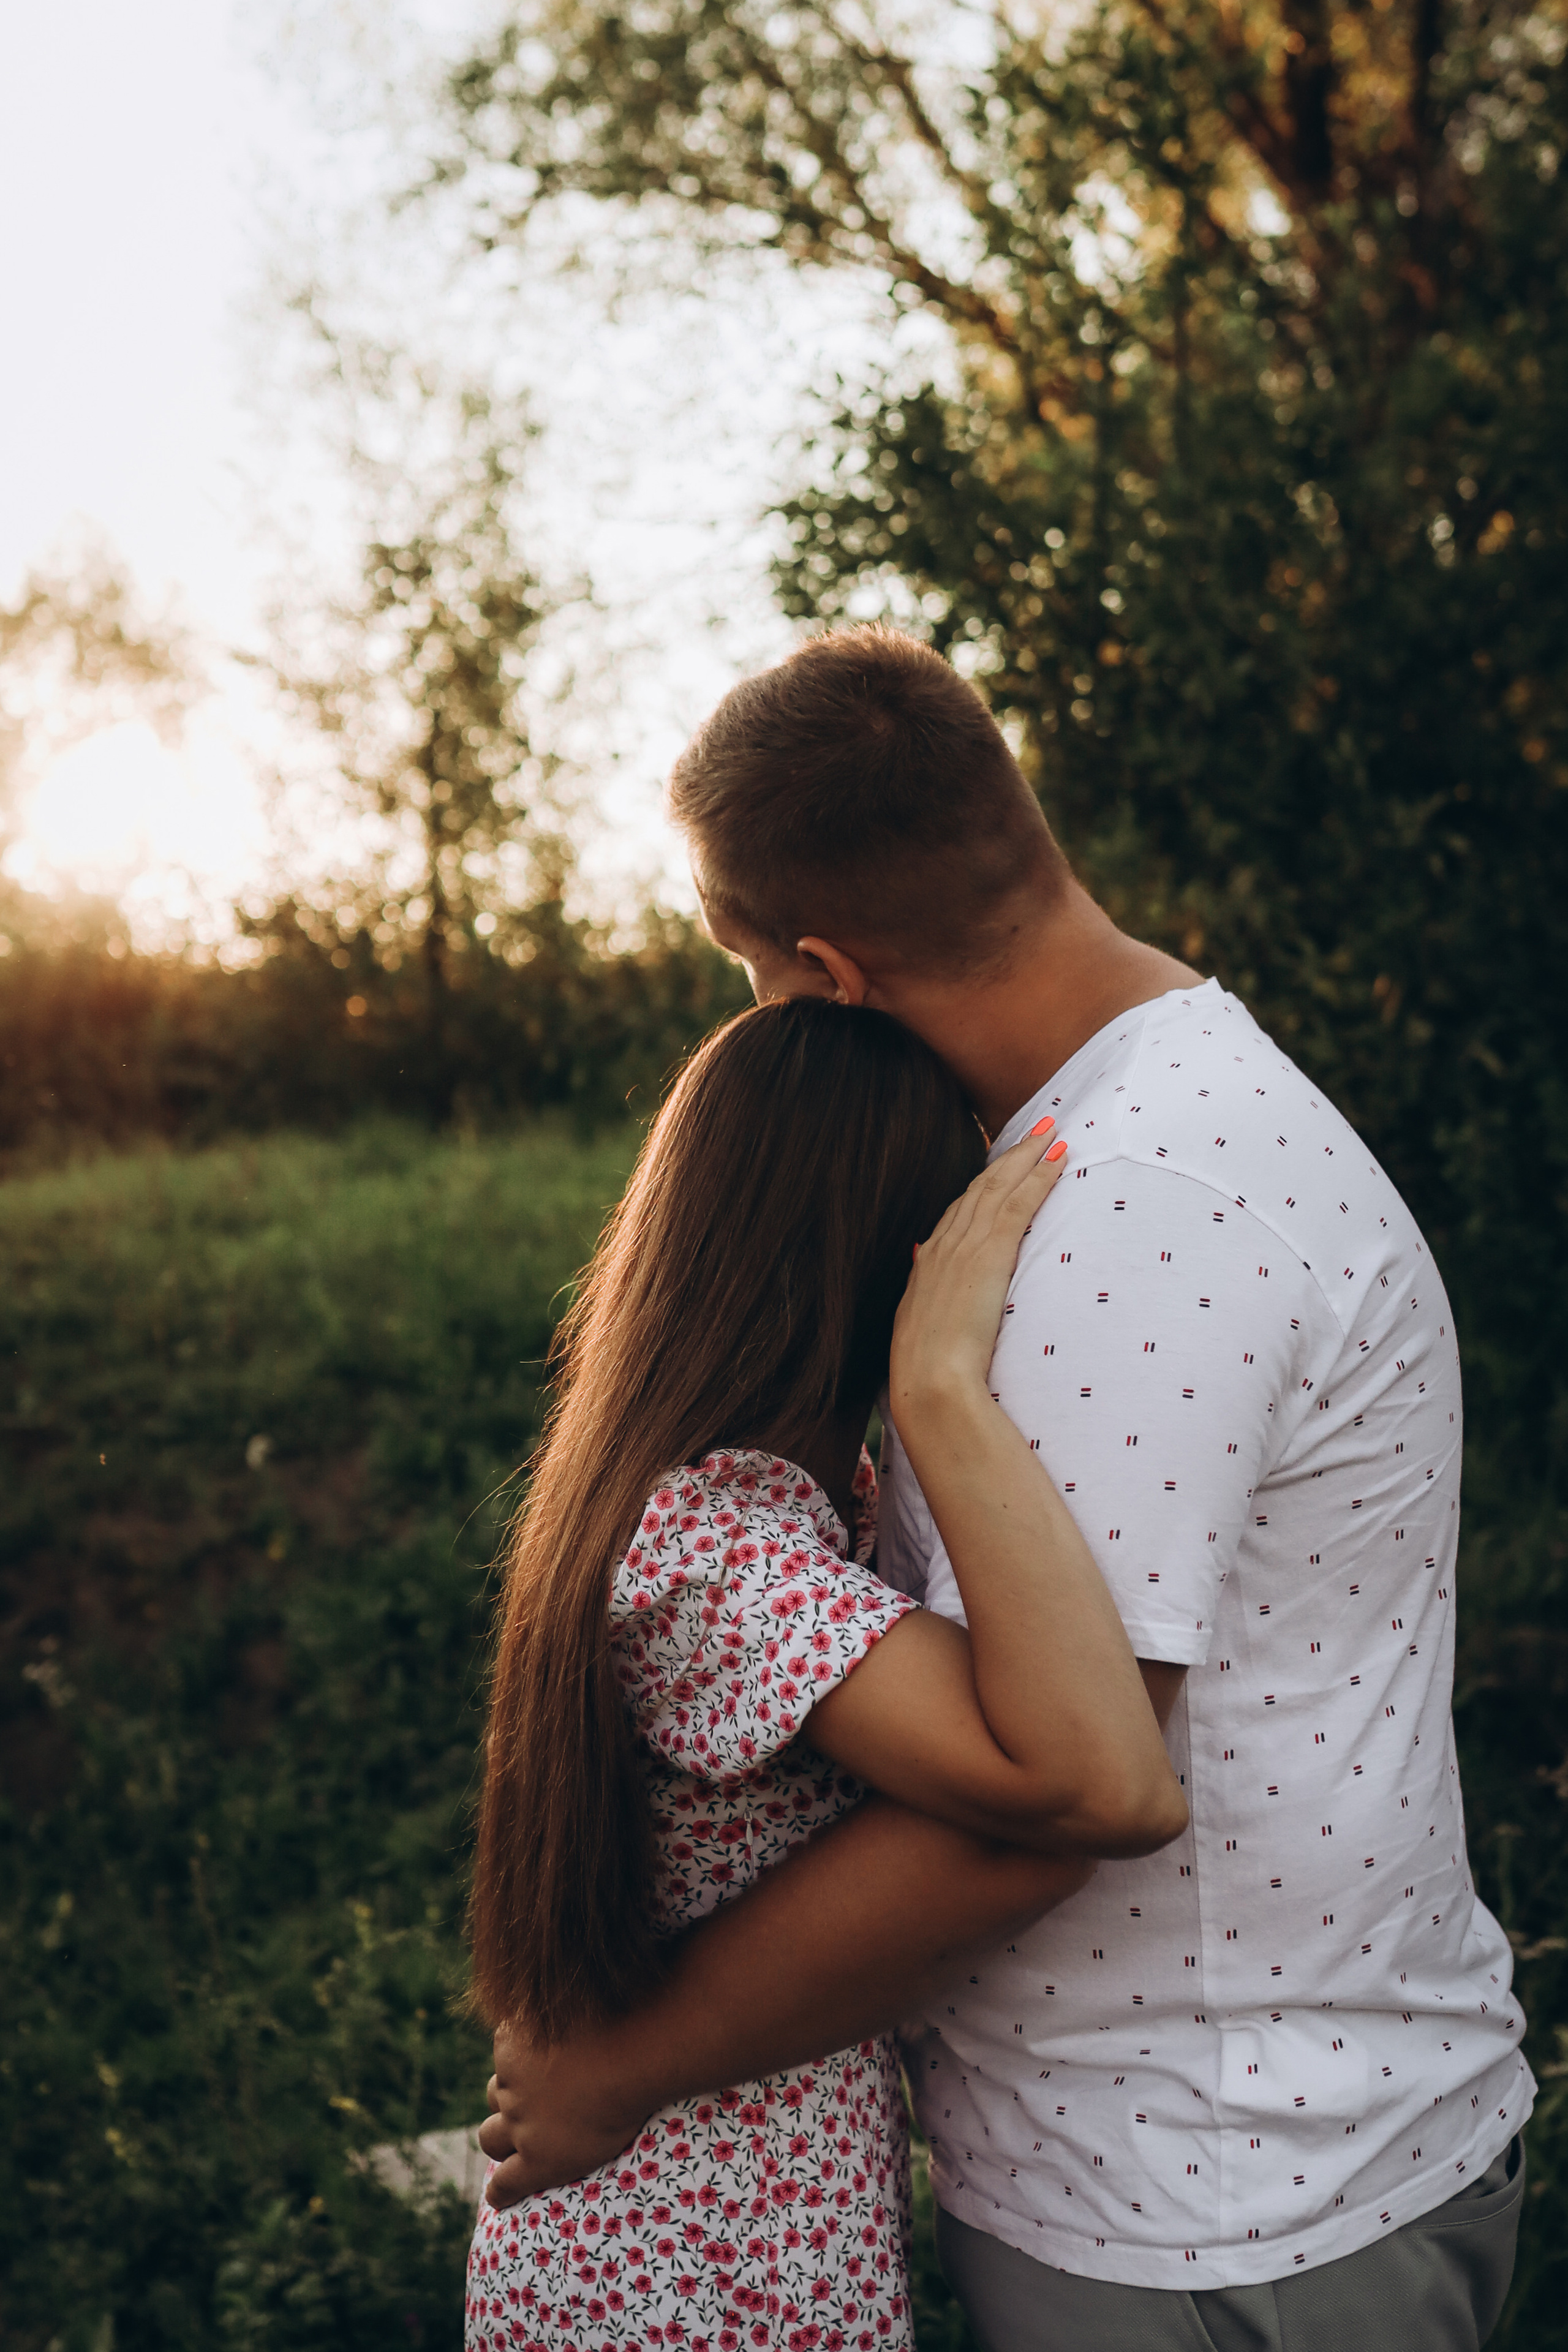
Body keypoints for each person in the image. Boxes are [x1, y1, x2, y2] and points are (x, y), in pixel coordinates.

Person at [480, 627, 1533, 2351]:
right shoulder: (1167, 1117)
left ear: (822, 971)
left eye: (743, 970)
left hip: (1212, 2209)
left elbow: (1052, 1797)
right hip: (1213, 2157)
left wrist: (629, 2065)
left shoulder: (1119, 1209)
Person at [465, 993, 1187, 2351]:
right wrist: (945, 1386)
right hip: (698, 2270)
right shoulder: (713, 1558)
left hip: (697, 2225)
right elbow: (1101, 1780)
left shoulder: (766, 1502)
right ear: (889, 1261)